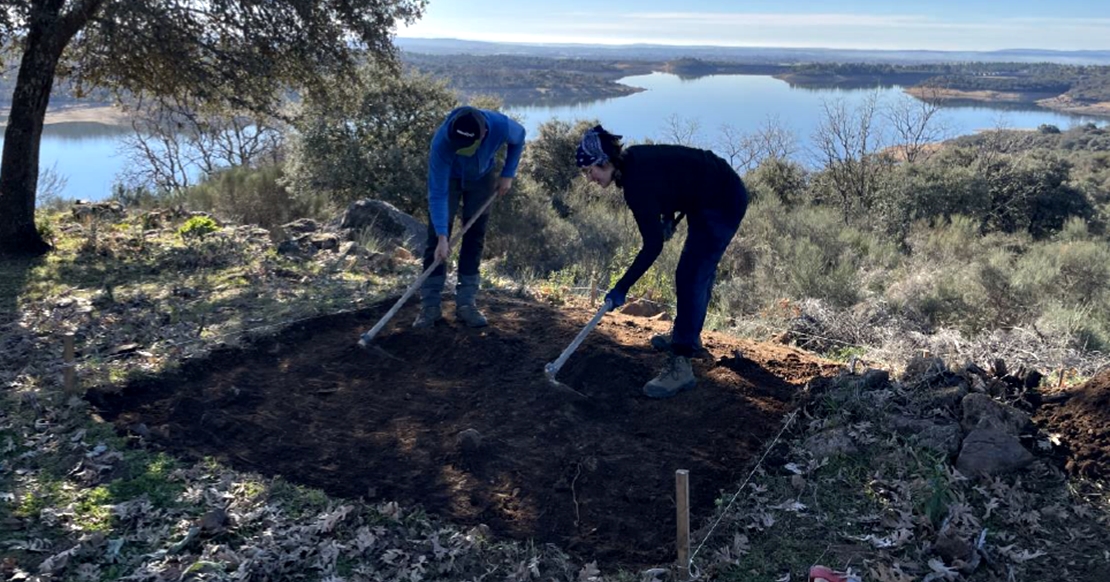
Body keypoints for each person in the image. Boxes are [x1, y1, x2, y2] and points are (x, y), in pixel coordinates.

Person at [575, 125, 749, 398]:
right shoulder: (632, 163)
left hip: (723, 200)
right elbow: (672, 182)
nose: (590, 178)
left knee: (692, 273)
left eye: (590, 171)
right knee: (695, 271)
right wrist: (668, 216)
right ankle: (687, 334)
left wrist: (622, 287)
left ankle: (681, 364)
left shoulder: (634, 182)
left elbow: (652, 246)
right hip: (710, 193)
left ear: (605, 161)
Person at [415, 106, 526, 328]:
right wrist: (442, 237)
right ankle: (430, 306)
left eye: (466, 147)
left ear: (483, 134)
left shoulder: (500, 126)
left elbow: (520, 137)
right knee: (435, 240)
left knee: (474, 235)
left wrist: (508, 173)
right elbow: (437, 193)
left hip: (482, 177)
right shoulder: (442, 142)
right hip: (450, 179)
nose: (460, 150)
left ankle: (466, 303)